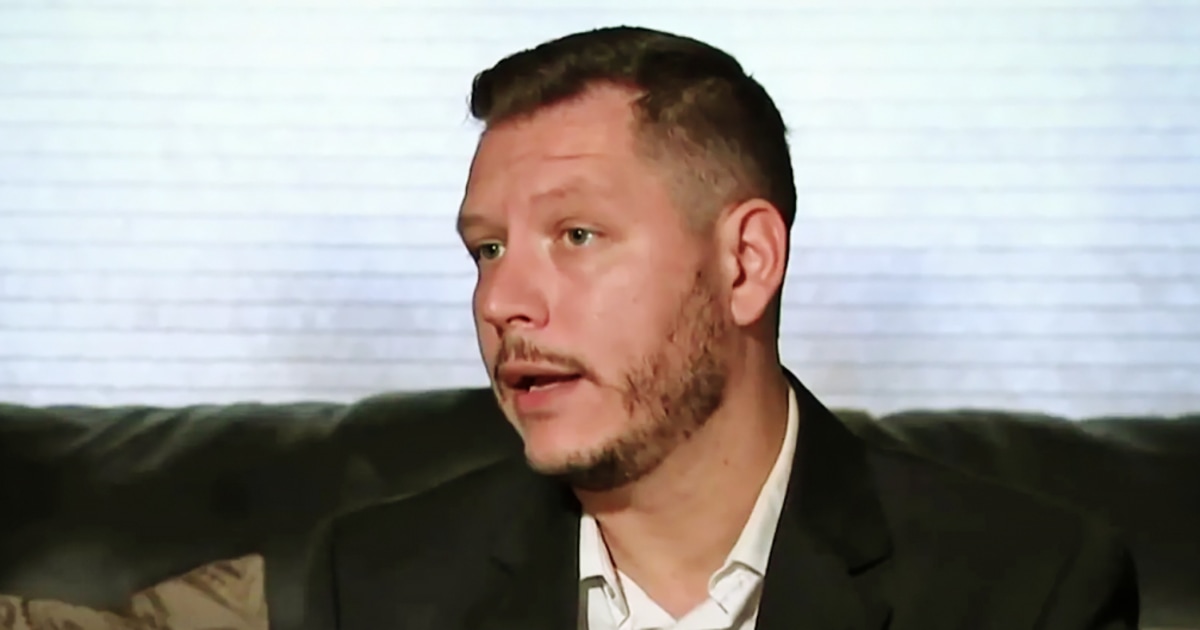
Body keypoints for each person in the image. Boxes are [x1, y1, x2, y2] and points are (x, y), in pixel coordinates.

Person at [311, 26, 1139, 629]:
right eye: (487, 249)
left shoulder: (1027, 588)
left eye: (577, 235)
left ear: (746, 263)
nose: (501, 301)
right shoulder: (378, 587)